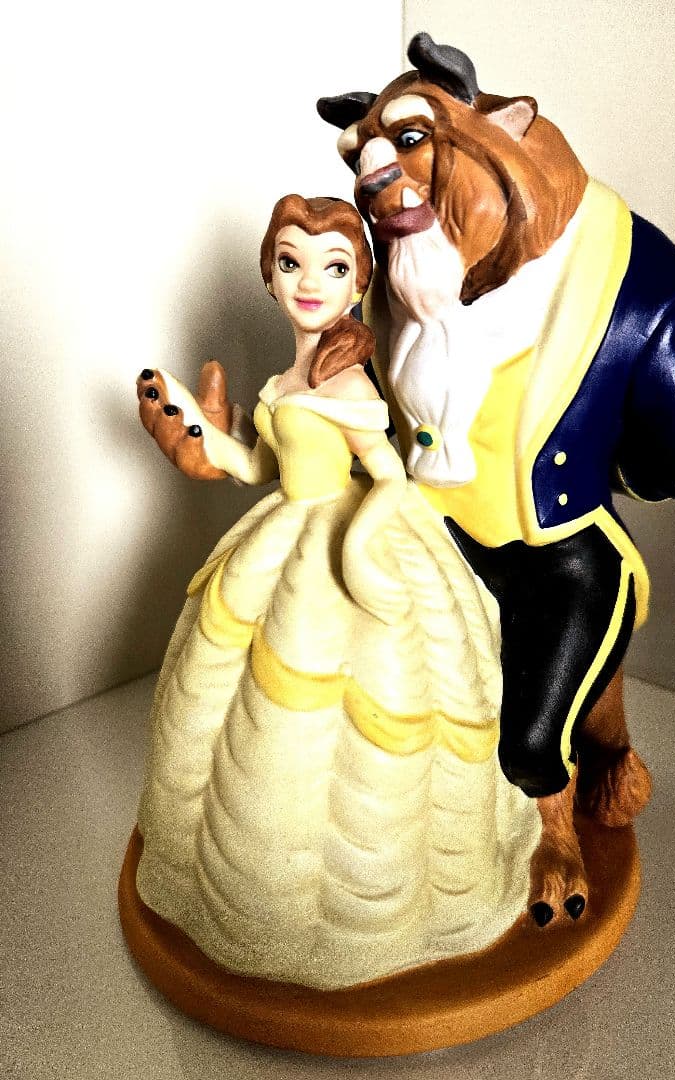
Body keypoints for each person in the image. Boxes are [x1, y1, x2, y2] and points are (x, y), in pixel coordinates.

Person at [133, 195, 541, 991]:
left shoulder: (347, 384)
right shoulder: (283, 381)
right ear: (270, 276)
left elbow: (388, 477)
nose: (309, 282)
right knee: (230, 695)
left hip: (349, 537)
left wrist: (358, 548)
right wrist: (195, 429)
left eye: (333, 266)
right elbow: (259, 467)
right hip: (283, 531)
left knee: (369, 703)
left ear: (359, 283)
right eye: (290, 262)